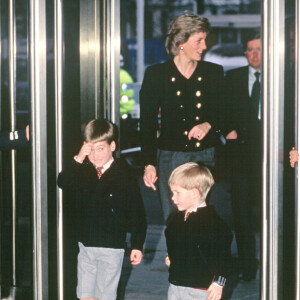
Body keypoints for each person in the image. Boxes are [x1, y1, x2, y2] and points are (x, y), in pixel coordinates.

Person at [140, 13, 225, 223]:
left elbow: (227, 112)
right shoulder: (156, 74)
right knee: (174, 219)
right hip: (170, 157)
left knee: (202, 219)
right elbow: (148, 123)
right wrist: (149, 163)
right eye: (198, 40)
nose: (204, 46)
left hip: (204, 155)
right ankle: (174, 257)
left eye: (204, 40)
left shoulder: (213, 72)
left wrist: (208, 125)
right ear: (181, 42)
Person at [57, 118, 147, 300]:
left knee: (105, 295)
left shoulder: (124, 174)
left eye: (101, 149)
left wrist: (137, 244)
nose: (96, 155)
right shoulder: (82, 169)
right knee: (85, 295)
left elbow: (137, 212)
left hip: (111, 247)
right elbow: (63, 182)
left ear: (112, 146)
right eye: (91, 149)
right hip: (86, 245)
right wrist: (79, 158)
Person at [165, 162, 232, 300]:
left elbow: (223, 256)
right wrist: (172, 257)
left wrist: (219, 282)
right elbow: (174, 240)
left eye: (177, 193)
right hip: (176, 285)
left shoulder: (213, 224)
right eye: (172, 193)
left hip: (200, 289)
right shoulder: (177, 219)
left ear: (195, 193)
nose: (173, 198)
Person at [224, 29, 261, 281]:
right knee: (242, 215)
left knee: (273, 212)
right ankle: (248, 266)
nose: (255, 54)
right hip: (240, 159)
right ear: (244, 52)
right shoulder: (232, 78)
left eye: (259, 49)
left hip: (271, 157)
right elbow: (219, 110)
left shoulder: (283, 78)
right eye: (250, 49)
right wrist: (226, 130)